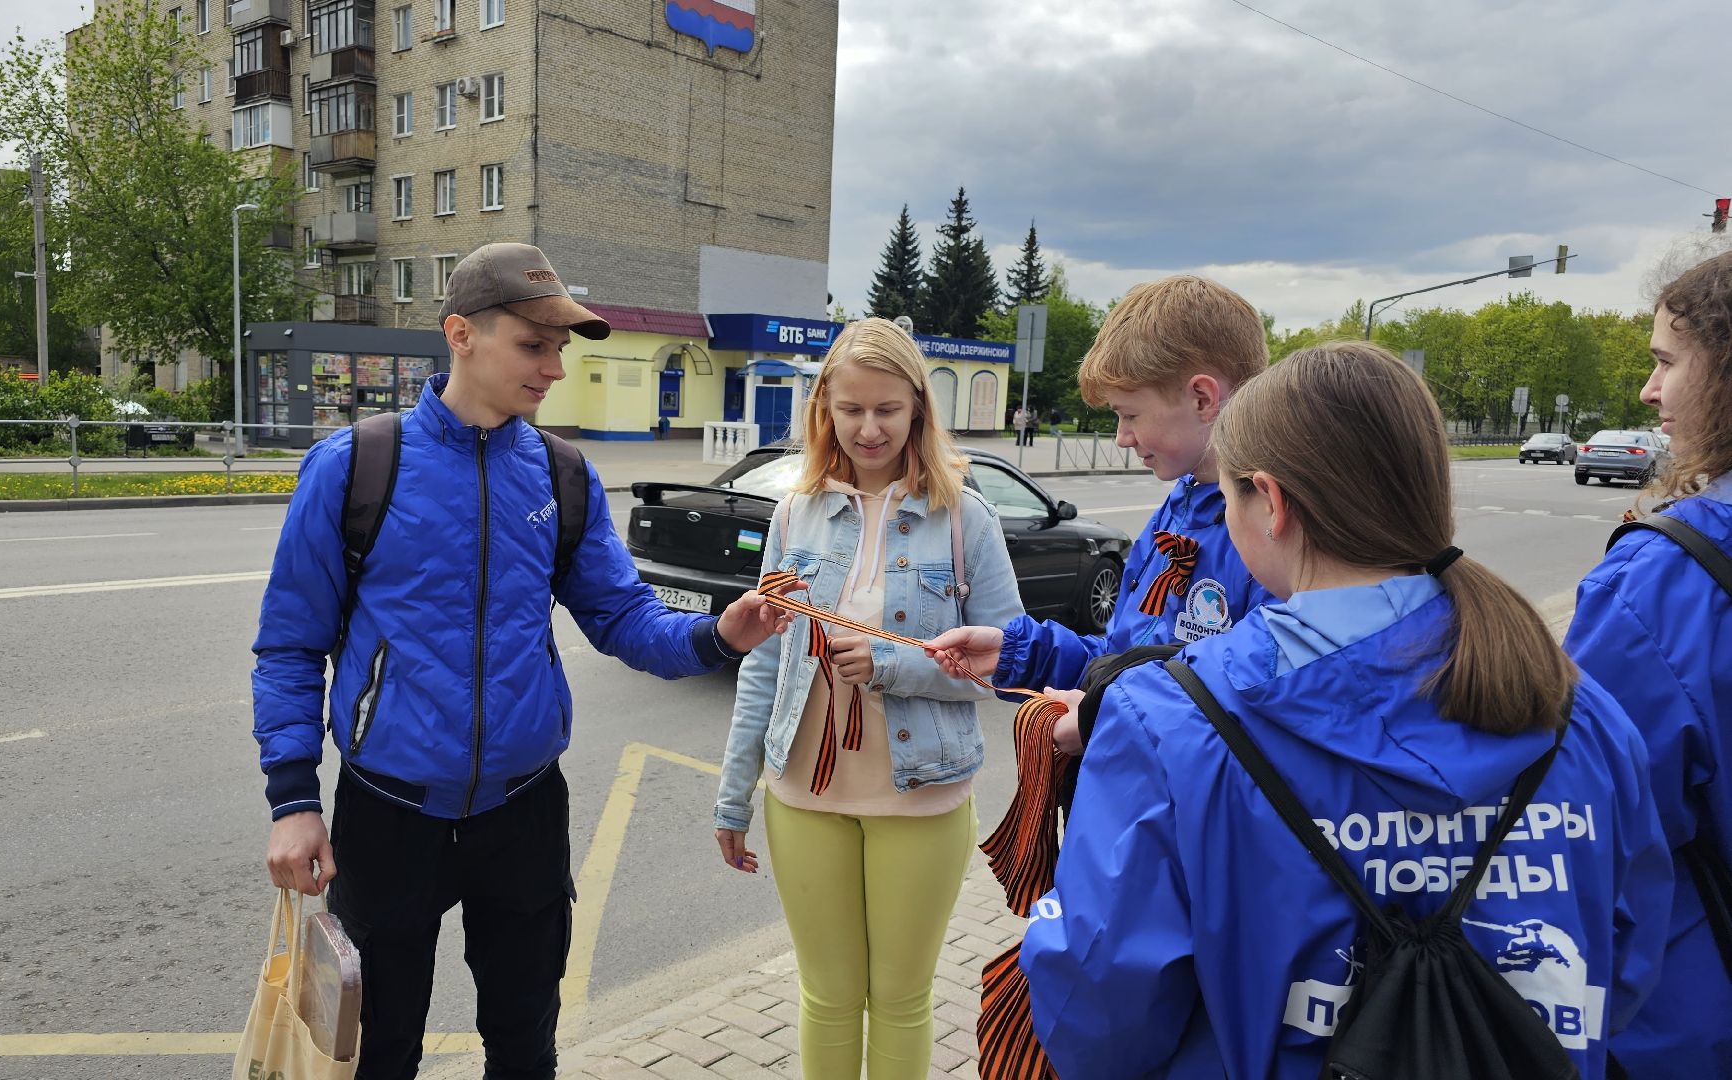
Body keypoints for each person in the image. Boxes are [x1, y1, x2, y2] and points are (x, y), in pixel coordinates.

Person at [1018, 341, 1671, 1078]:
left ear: (1272, 504)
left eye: (1229, 498)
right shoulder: (1578, 712)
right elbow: (1631, 956)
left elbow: (1099, 1013)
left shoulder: (1174, 721)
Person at [252, 243, 794, 1080]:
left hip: (524, 813)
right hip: (389, 812)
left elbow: (620, 617)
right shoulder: (358, 465)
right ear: (461, 333)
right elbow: (291, 645)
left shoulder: (562, 474)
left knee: (523, 1044)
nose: (553, 368)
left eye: (561, 348)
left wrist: (720, 635)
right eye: (533, 345)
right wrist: (293, 800)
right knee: (378, 1050)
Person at [713, 318, 1025, 1079]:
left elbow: (1008, 661)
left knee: (899, 998)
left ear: (919, 406)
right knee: (826, 995)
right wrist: (732, 797)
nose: (869, 427)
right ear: (826, 407)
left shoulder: (966, 518)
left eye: (887, 408)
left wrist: (895, 664)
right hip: (803, 794)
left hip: (920, 796)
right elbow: (764, 658)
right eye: (850, 409)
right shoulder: (797, 512)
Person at [926, 276, 1274, 704]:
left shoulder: (1273, 530)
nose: (1121, 438)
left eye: (1129, 414)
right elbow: (1119, 658)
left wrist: (1102, 719)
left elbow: (1249, 712)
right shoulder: (1179, 508)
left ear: (1203, 399)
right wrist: (1020, 655)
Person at [1565, 248, 1732, 1076]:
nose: (1648, 391)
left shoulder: (1665, 581)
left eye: (1666, 361)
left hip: (1688, 1019)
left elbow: (1590, 826)